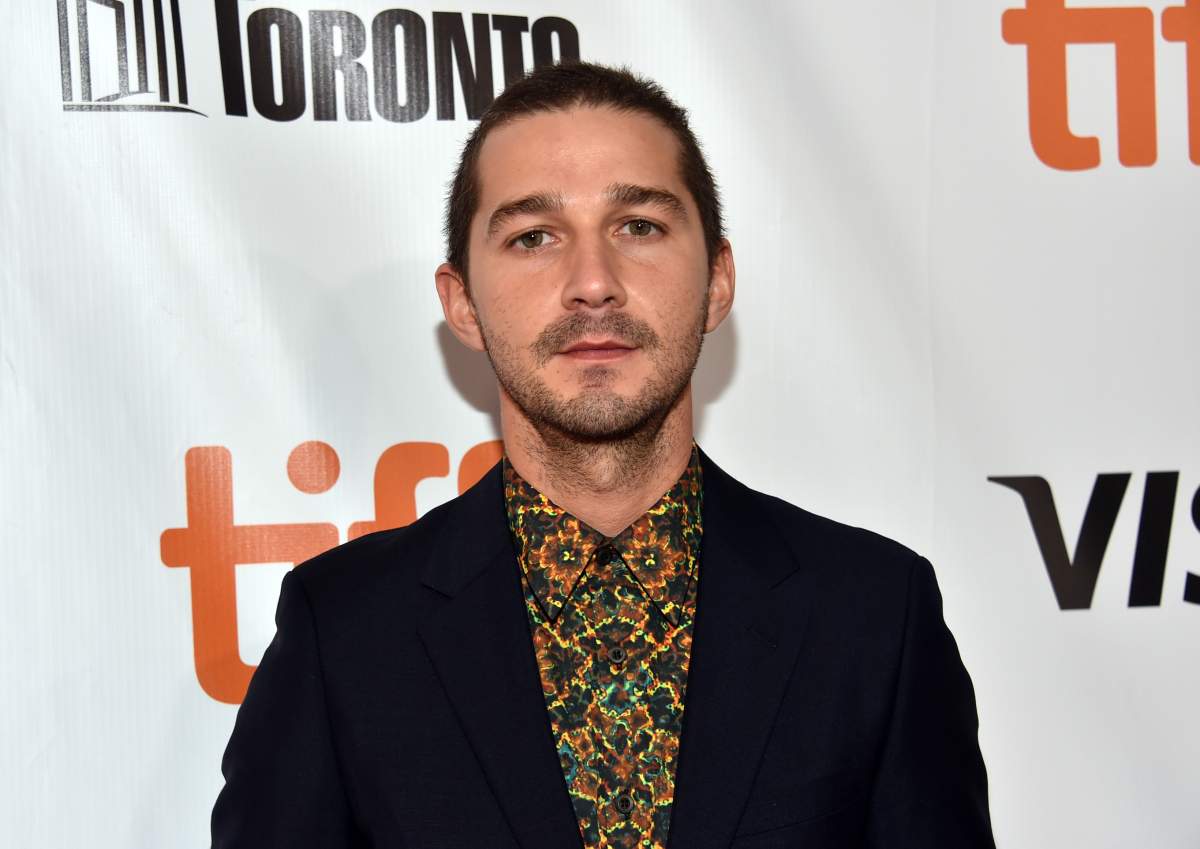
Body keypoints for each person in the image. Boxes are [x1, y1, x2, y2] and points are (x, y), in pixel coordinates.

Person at [211, 62, 995, 849]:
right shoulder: (345, 633)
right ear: (463, 304)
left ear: (717, 282)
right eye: (534, 237)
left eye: (639, 227)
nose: (593, 283)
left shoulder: (873, 617)